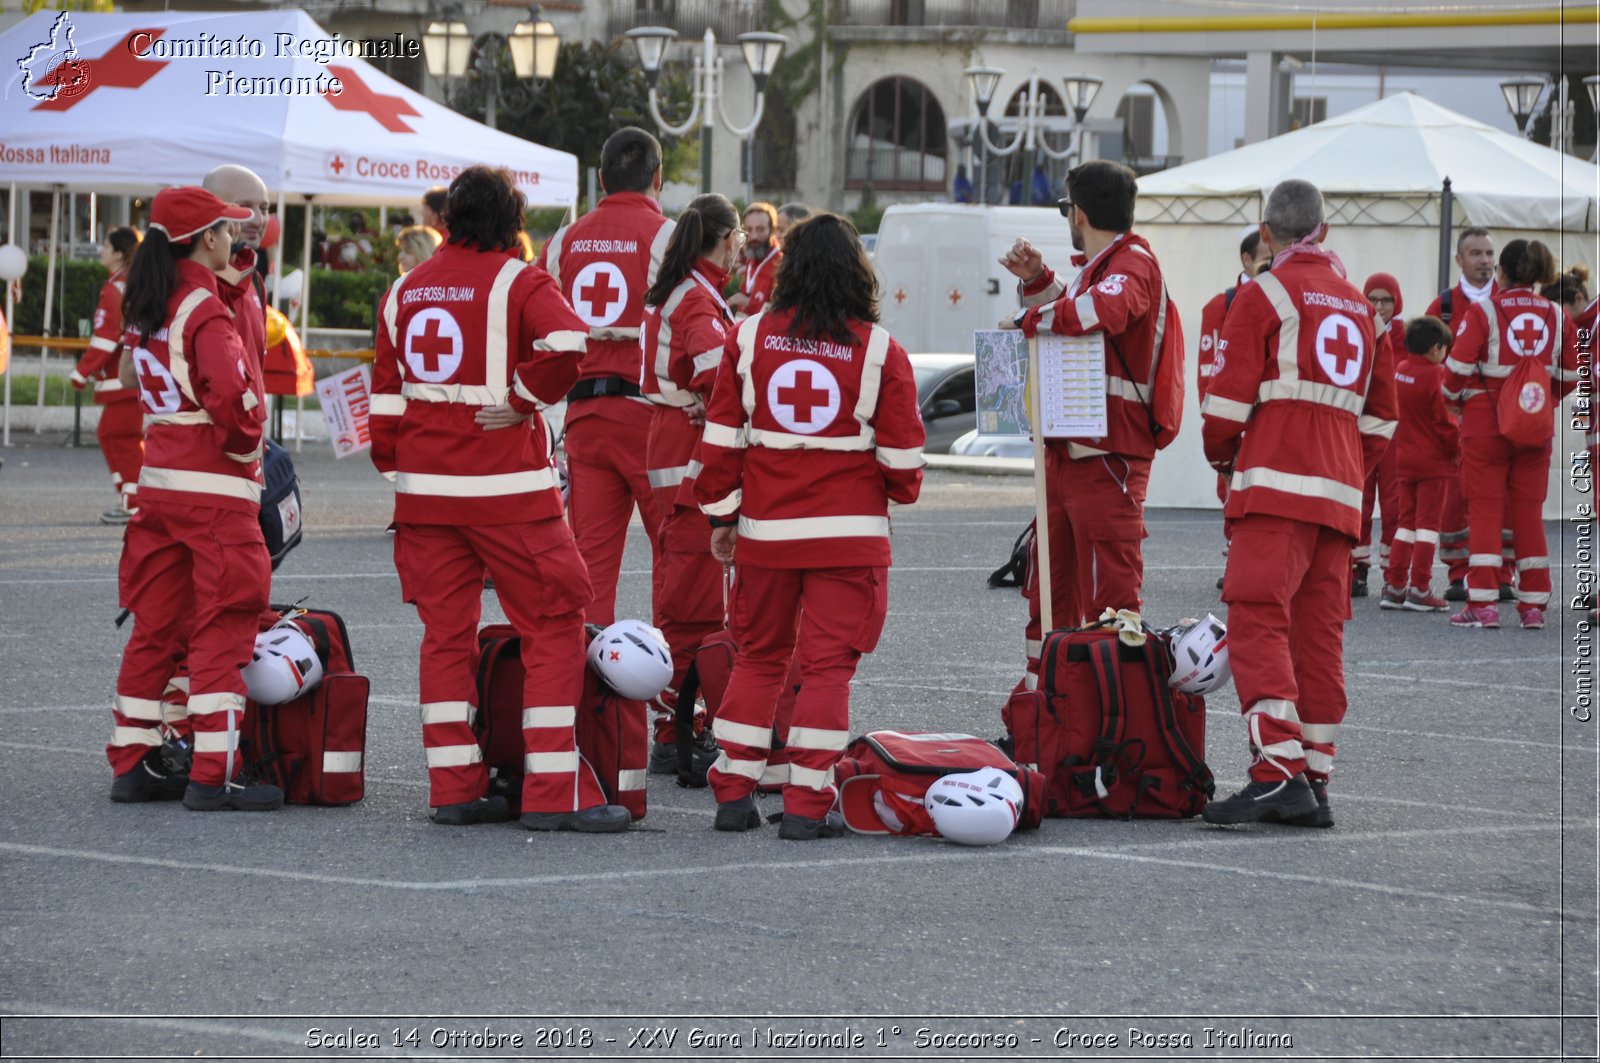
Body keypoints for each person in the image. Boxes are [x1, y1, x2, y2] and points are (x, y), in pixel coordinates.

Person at [370, 165, 629, 832]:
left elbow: (385, 401)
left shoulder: (404, 289)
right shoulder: (519, 279)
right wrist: (520, 400)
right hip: (508, 491)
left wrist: (402, 467)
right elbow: (571, 342)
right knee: (553, 622)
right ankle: (552, 787)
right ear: (512, 220)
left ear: (450, 221)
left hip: (426, 495)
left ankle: (454, 784)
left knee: (444, 636)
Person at [696, 213, 925, 840]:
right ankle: (805, 806)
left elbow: (720, 442)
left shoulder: (746, 338)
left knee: (758, 659)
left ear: (787, 268)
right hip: (848, 540)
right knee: (827, 671)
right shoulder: (881, 351)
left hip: (766, 533)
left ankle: (733, 793)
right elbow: (904, 469)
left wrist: (721, 514)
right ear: (858, 270)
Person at [1199, 178, 1396, 826]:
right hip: (1340, 496)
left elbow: (1223, 408)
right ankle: (1314, 773)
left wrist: (1228, 459)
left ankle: (1276, 770)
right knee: (1318, 637)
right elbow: (1381, 418)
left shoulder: (1265, 294)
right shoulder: (1363, 307)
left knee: (1257, 617)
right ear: (1324, 231)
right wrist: (1348, 468)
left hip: (1277, 482)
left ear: (1266, 233)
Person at [109, 186, 280, 811]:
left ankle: (132, 761)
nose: (238, 237)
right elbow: (236, 402)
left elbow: (135, 379)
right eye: (228, 230)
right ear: (206, 238)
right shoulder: (202, 309)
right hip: (214, 491)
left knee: (155, 628)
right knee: (224, 622)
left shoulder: (152, 299)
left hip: (159, 490)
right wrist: (249, 446)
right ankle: (215, 772)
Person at [998, 160, 1182, 689]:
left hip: (1108, 457)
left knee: (1109, 599)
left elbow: (1105, 311)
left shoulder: (1133, 263)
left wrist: (1026, 320)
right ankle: (1044, 707)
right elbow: (1081, 313)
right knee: (1050, 589)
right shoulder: (1101, 265)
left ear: (1078, 212)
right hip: (1074, 452)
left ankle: (1108, 721)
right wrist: (1039, 282)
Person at [536, 127, 675, 626]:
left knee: (591, 564)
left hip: (584, 417)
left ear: (600, 179)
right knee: (674, 555)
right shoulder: (672, 237)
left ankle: (591, 688)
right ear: (658, 177)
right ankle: (671, 690)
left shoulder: (563, 241)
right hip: (652, 420)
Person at [639, 194, 742, 772]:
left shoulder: (684, 290)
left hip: (672, 448)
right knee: (693, 605)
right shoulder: (697, 300)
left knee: (680, 595)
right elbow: (713, 371)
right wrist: (722, 404)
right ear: (725, 239)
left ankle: (674, 725)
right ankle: (675, 732)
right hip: (687, 459)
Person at [1442, 239, 1579, 630]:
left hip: (1484, 419)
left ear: (1501, 272)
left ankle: (1482, 602)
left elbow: (1455, 368)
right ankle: (1533, 605)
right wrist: (1542, 398)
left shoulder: (1484, 310)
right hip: (1534, 422)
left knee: (1484, 508)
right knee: (1529, 512)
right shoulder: (1557, 314)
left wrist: (1454, 403)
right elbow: (1572, 373)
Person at [1425, 227, 1503, 603]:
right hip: (1454, 423)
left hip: (1504, 424)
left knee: (1502, 501)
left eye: (1489, 253)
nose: (1484, 261)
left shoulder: (1511, 302)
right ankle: (1459, 573)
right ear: (1459, 259)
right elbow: (1422, 363)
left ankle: (1501, 574)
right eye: (1475, 253)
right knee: (1455, 503)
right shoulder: (1441, 307)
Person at [1380, 316, 1459, 612]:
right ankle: (1421, 587)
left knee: (1405, 524)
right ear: (1436, 348)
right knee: (1427, 527)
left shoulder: (1401, 370)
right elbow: (1445, 422)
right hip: (1433, 462)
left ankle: (1395, 584)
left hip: (1404, 457)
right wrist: (1457, 451)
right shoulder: (1436, 375)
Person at [72, 226, 144, 524]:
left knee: (121, 438)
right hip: (135, 376)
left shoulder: (115, 288)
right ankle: (129, 494)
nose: (101, 249)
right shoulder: (133, 284)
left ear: (117, 254)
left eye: (105, 245)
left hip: (122, 380)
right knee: (110, 435)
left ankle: (135, 502)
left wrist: (81, 372)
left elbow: (105, 337)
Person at [1355, 271, 1405, 598]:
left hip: (1396, 434)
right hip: (1359, 428)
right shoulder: (1356, 330)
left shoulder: (1408, 336)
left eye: (1386, 300)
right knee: (1358, 501)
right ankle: (1355, 570)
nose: (1379, 306)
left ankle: (1394, 573)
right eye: (1373, 299)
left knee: (1394, 505)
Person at [728, 202, 780, 319]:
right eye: (749, 230)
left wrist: (747, 303)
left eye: (760, 229)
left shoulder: (781, 265)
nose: (754, 236)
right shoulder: (752, 260)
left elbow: (780, 312)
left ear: (773, 230)